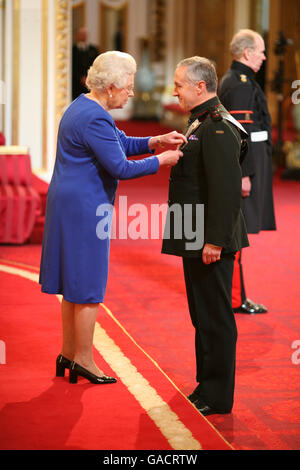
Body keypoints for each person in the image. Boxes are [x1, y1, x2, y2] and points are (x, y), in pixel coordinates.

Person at [39, 51, 186, 385]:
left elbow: (117, 143)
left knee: (72, 285)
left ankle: (68, 353)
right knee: (88, 286)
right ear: (110, 87)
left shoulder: (84, 106)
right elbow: (119, 166)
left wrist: (153, 141)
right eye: (128, 87)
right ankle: (85, 360)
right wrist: (161, 160)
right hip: (85, 208)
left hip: (69, 202)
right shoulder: (96, 117)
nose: (131, 93)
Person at [162, 57, 249, 416]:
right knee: (202, 315)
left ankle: (218, 395)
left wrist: (214, 240)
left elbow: (226, 190)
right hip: (194, 233)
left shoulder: (216, 126)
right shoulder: (201, 119)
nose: (175, 91)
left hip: (209, 240)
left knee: (215, 318)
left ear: (200, 87)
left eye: (180, 84)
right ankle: (206, 385)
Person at [219, 29, 276, 314]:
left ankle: (236, 296)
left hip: (250, 163)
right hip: (246, 166)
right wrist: (244, 173)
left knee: (238, 234)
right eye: (260, 51)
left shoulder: (241, 80)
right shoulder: (240, 83)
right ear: (247, 53)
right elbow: (239, 134)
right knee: (235, 234)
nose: (264, 56)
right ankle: (233, 298)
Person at [72, 27, 99, 100]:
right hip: (76, 84)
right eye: (81, 34)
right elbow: (73, 67)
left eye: (84, 34)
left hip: (90, 83)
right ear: (76, 36)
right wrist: (81, 78)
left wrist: (89, 77)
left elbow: (95, 65)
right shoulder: (72, 50)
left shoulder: (93, 49)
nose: (83, 36)